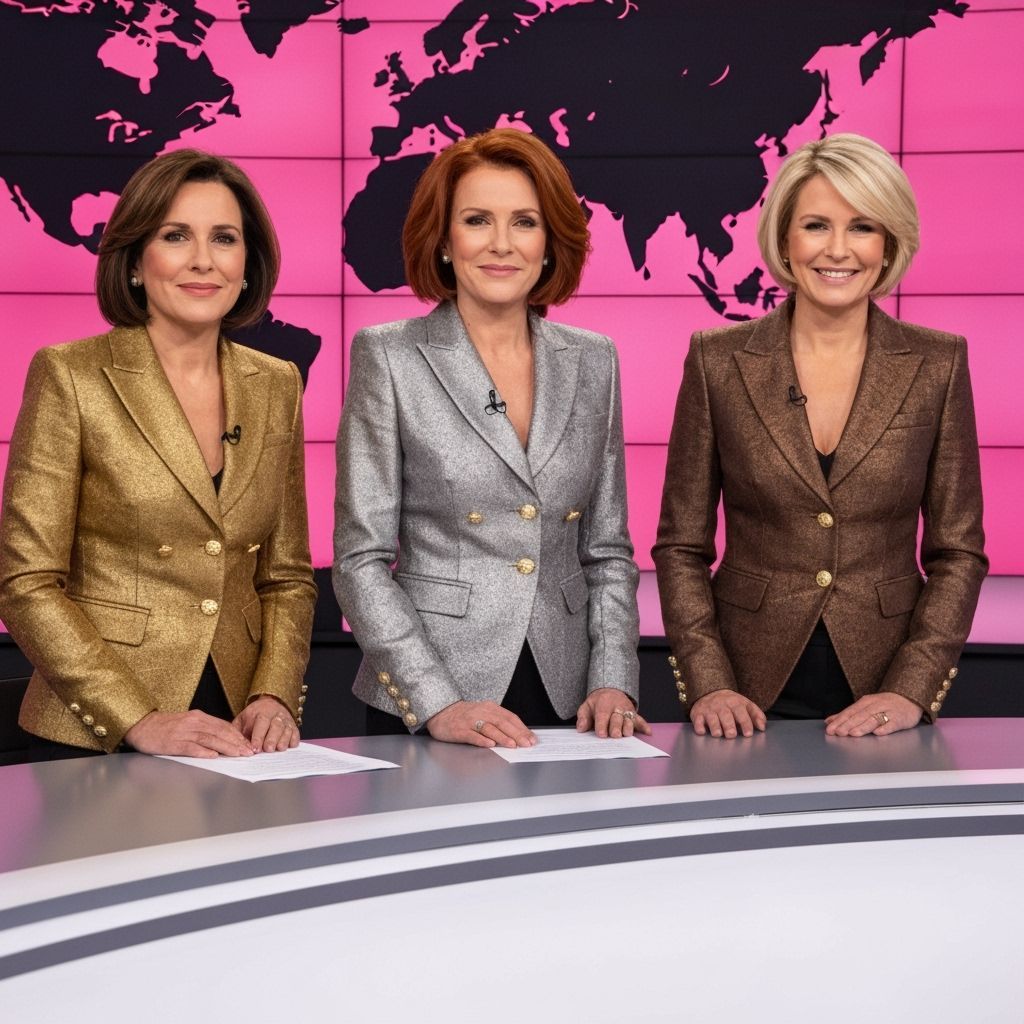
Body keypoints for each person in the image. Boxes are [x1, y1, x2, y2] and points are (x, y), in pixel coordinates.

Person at [653, 133, 987, 739]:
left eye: (862, 227)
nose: (838, 249)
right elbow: (681, 546)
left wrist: (912, 689)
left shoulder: (939, 363)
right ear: (785, 239)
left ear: (888, 244)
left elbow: (957, 552)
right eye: (815, 226)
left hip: (885, 688)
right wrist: (708, 681)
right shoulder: (717, 360)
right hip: (742, 695)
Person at [334, 128, 647, 748]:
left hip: (572, 698)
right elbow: (359, 559)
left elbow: (607, 550)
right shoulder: (388, 356)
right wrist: (437, 703)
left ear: (550, 242)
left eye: (524, 222)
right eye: (477, 220)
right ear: (444, 240)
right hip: (431, 696)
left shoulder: (595, 359)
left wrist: (615, 679)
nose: (501, 244)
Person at [0, 149, 316, 760]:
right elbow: (26, 582)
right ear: (136, 262)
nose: (203, 259)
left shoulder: (277, 383)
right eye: (176, 236)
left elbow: (286, 577)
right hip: (100, 732)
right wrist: (138, 720)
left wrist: (275, 694)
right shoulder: (71, 375)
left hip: (239, 726)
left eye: (224, 238)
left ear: (246, 264)